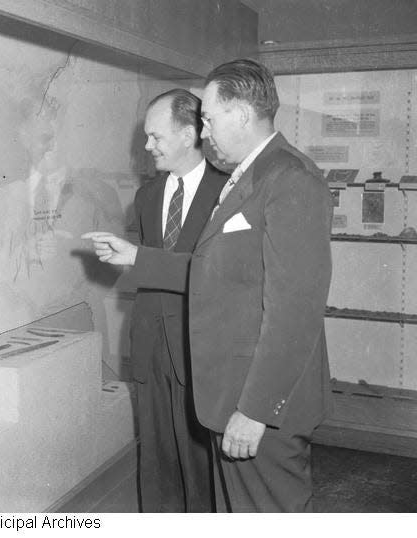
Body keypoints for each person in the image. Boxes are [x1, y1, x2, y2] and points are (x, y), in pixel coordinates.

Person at [83, 59, 333, 512]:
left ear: (240, 115)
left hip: (261, 403)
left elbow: (294, 313)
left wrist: (255, 410)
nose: (204, 129)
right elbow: (216, 277)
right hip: (235, 392)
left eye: (209, 117)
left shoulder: (289, 179)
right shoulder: (253, 177)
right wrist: (139, 257)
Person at [124, 89, 228, 512]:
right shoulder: (147, 197)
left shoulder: (228, 193)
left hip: (200, 350)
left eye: (155, 137)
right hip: (152, 348)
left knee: (201, 466)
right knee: (157, 462)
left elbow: (221, 277)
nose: (147, 147)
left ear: (188, 135)